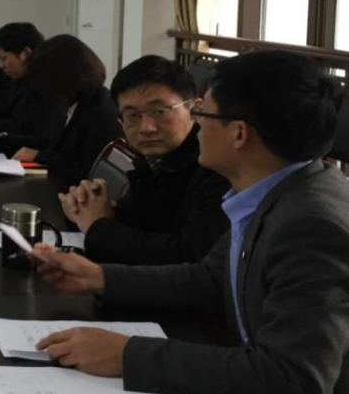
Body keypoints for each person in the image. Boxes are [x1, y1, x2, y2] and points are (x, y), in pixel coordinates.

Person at [29, 50, 349, 394]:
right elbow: (211, 278)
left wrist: (126, 355)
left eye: (203, 113)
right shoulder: (279, 188)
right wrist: (99, 277)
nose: (197, 124)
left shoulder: (313, 224)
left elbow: (294, 379)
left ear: (239, 133)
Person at [58, 55, 229, 265]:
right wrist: (83, 208)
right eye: (132, 115)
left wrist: (99, 227)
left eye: (159, 112)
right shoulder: (152, 161)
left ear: (196, 110)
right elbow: (139, 222)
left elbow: (189, 256)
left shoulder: (218, 168)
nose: (146, 128)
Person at [0, 34, 120, 187]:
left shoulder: (100, 113)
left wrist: (40, 156)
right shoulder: (74, 101)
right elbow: (50, 141)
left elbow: (88, 174)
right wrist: (2, 142)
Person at [0, 23, 64, 151]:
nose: (0, 65)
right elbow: (8, 112)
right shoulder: (21, 77)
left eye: (3, 58)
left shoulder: (46, 84)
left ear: (25, 54)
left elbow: (32, 129)